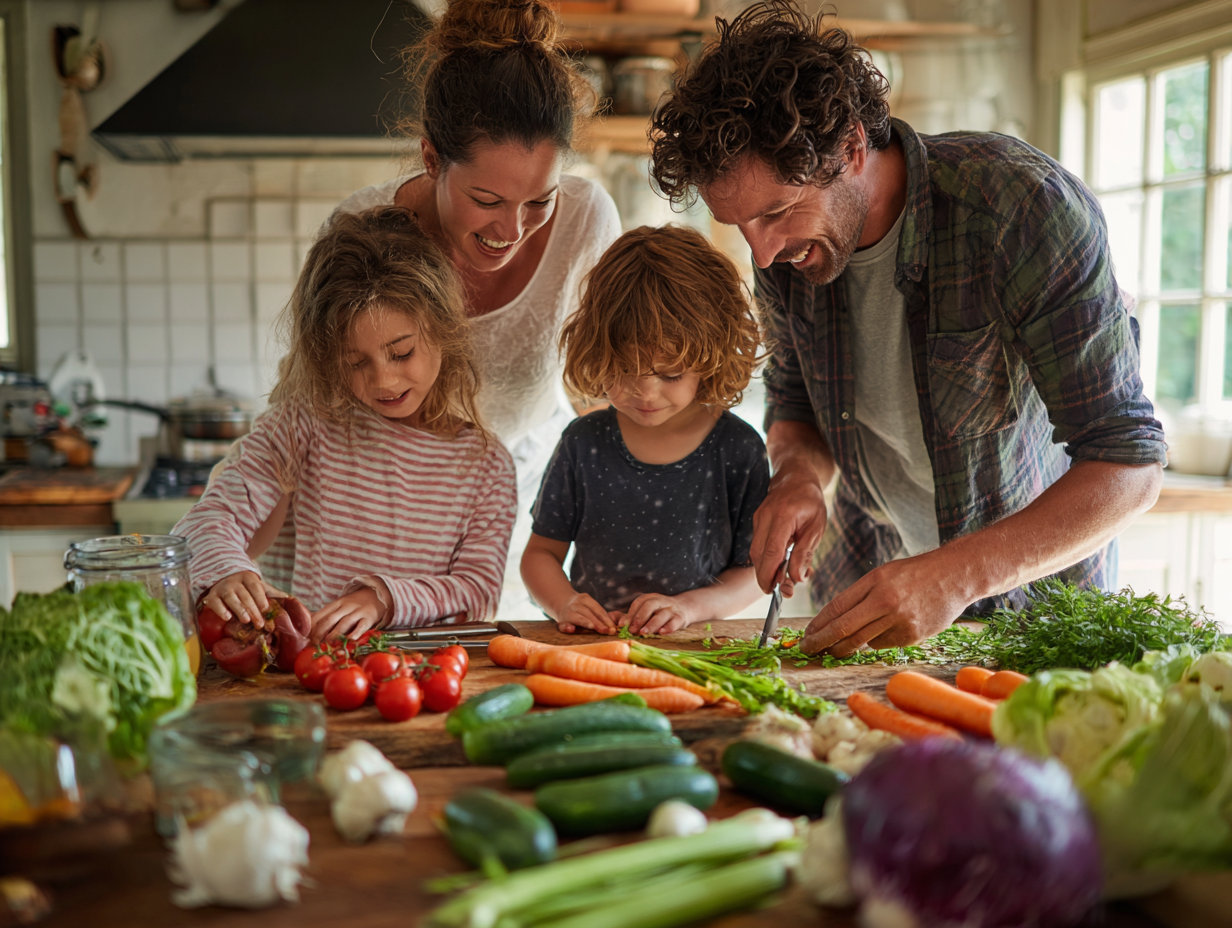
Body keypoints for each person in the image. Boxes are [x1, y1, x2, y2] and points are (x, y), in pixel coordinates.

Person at [648, 1, 1167, 656]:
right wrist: (799, 476)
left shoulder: (1020, 210)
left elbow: (1129, 463)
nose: (761, 254)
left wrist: (954, 575)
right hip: (864, 586)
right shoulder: (785, 252)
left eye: (778, 212)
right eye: (741, 225)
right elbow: (795, 400)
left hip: (1032, 616)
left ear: (852, 148)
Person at [327, 0, 622, 618]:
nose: (512, 229)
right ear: (433, 159)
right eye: (486, 199)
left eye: (539, 200)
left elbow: (605, 386)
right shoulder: (364, 230)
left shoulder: (587, 220)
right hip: (378, 526)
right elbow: (314, 401)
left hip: (519, 526)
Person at [175, 207, 516, 641]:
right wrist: (229, 570)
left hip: (423, 676)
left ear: (443, 330)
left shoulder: (486, 464)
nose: (383, 381)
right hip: (313, 674)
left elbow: (478, 592)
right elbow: (209, 519)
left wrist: (383, 600)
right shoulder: (304, 423)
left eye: (402, 352)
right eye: (356, 362)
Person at [521, 225, 770, 636]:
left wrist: (689, 608)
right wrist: (563, 603)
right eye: (623, 370)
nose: (646, 392)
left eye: (670, 374)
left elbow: (754, 573)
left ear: (712, 358)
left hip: (698, 648)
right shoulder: (583, 443)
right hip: (591, 649)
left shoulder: (739, 450)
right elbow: (539, 556)